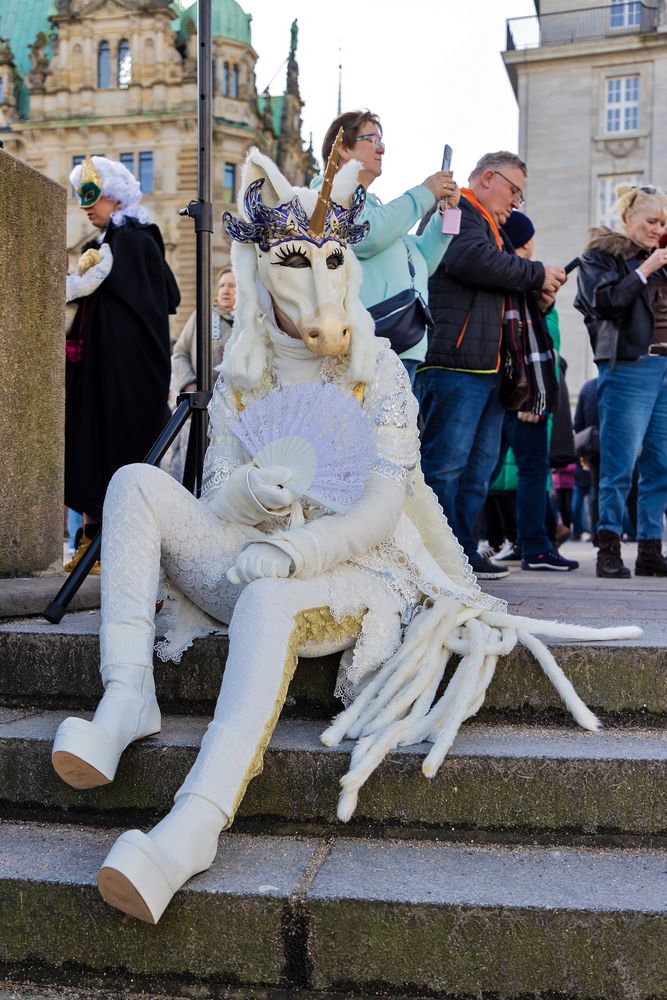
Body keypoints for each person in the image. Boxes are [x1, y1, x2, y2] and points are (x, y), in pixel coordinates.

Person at [50, 146, 637, 926]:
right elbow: (217, 495)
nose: (319, 281)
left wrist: (297, 549)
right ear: (265, 270)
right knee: (133, 484)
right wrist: (248, 494)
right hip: (244, 550)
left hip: (350, 574)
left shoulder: (380, 374)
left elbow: (381, 509)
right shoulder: (241, 372)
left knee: (267, 599)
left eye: (333, 260)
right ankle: (127, 696)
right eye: (297, 261)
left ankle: (191, 828)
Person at [415, 153, 567, 579]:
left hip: (488, 368)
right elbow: (469, 260)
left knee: (478, 471)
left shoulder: (491, 227)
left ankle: (461, 550)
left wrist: (533, 292)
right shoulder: (458, 209)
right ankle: (436, 553)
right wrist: (535, 274)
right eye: (514, 190)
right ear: (487, 178)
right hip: (455, 364)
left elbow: (495, 275)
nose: (517, 202)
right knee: (446, 465)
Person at [64, 156, 180, 569]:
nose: (85, 206)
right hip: (99, 371)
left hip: (124, 374)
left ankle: (111, 547)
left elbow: (158, 300)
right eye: (82, 198)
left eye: (92, 198)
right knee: (90, 447)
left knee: (114, 449)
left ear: (115, 197)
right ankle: (89, 544)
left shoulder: (134, 241)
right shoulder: (107, 243)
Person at [318, 110, 458, 385]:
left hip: (402, 342)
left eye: (381, 140)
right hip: (370, 345)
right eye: (371, 138)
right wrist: (424, 193)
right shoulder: (328, 194)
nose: (381, 148)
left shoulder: (371, 205)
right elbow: (368, 235)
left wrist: (447, 214)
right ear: (342, 149)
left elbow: (423, 261)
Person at [575, 184, 667, 578]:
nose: (657, 228)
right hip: (629, 366)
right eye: (651, 220)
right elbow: (604, 303)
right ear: (629, 218)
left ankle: (650, 550)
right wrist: (645, 269)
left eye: (663, 223)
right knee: (618, 464)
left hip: (664, 370)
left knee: (660, 464)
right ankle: (608, 549)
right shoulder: (602, 256)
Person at [493, 210, 577, 572]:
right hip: (526, 387)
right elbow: (546, 342)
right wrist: (537, 394)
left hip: (506, 384)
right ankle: (535, 547)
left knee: (494, 468)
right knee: (531, 469)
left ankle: (528, 542)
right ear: (526, 241)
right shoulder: (526, 276)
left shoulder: (499, 271)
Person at [169, 267, 236, 483]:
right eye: (222, 285)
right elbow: (179, 353)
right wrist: (190, 385)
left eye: (232, 285)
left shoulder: (249, 322)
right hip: (200, 406)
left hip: (233, 411)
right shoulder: (202, 316)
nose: (226, 290)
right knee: (191, 469)